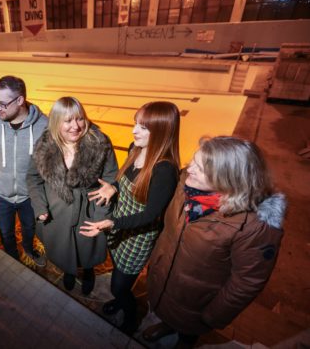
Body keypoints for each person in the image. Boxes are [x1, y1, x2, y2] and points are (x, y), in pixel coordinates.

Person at [142, 136, 285, 348]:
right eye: (193, 161)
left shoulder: (254, 226)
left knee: (188, 329)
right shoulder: (186, 183)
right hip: (167, 280)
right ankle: (167, 324)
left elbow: (246, 282)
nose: (189, 169)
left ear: (226, 179)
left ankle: (185, 340)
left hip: (197, 302)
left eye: (199, 168)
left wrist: (212, 315)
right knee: (169, 312)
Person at [80, 101, 181, 333]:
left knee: (119, 287)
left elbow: (151, 215)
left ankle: (130, 315)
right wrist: (113, 187)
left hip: (136, 237)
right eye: (136, 124)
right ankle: (120, 301)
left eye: (144, 127)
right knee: (117, 274)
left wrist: (112, 222)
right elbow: (124, 181)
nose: (134, 131)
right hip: (119, 227)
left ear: (163, 131)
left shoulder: (164, 170)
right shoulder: (134, 148)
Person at [27, 97, 118, 295]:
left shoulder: (100, 143)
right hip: (55, 212)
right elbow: (33, 178)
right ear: (56, 122)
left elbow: (110, 179)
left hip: (89, 210)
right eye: (67, 121)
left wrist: (101, 216)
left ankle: (88, 271)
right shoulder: (44, 145)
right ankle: (69, 270)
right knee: (62, 249)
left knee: (87, 250)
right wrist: (40, 207)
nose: (75, 126)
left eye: (79, 119)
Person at [0, 75, 48, 266]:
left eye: (2, 103)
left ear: (20, 100)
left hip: (29, 196)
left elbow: (49, 164)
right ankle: (12, 257)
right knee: (6, 232)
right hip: (0, 195)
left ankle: (29, 249)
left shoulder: (43, 125)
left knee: (29, 228)